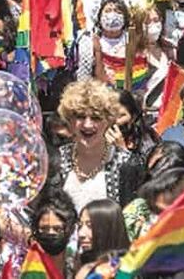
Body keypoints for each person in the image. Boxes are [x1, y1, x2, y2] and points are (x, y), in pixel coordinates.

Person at [55, 79, 143, 212]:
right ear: (69, 120)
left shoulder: (127, 164)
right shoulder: (56, 160)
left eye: (96, 118)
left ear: (108, 120)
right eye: (80, 116)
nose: (87, 125)